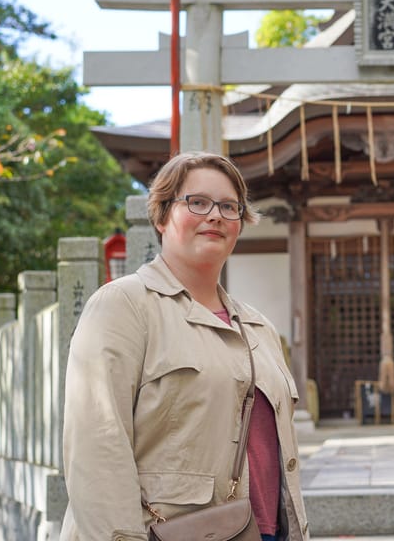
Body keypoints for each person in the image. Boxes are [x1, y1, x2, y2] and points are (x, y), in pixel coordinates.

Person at [60, 151, 309, 541]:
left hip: (263, 531)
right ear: (161, 216)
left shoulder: (258, 327)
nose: (215, 216)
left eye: (230, 207)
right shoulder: (124, 306)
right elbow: (98, 448)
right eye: (197, 202)